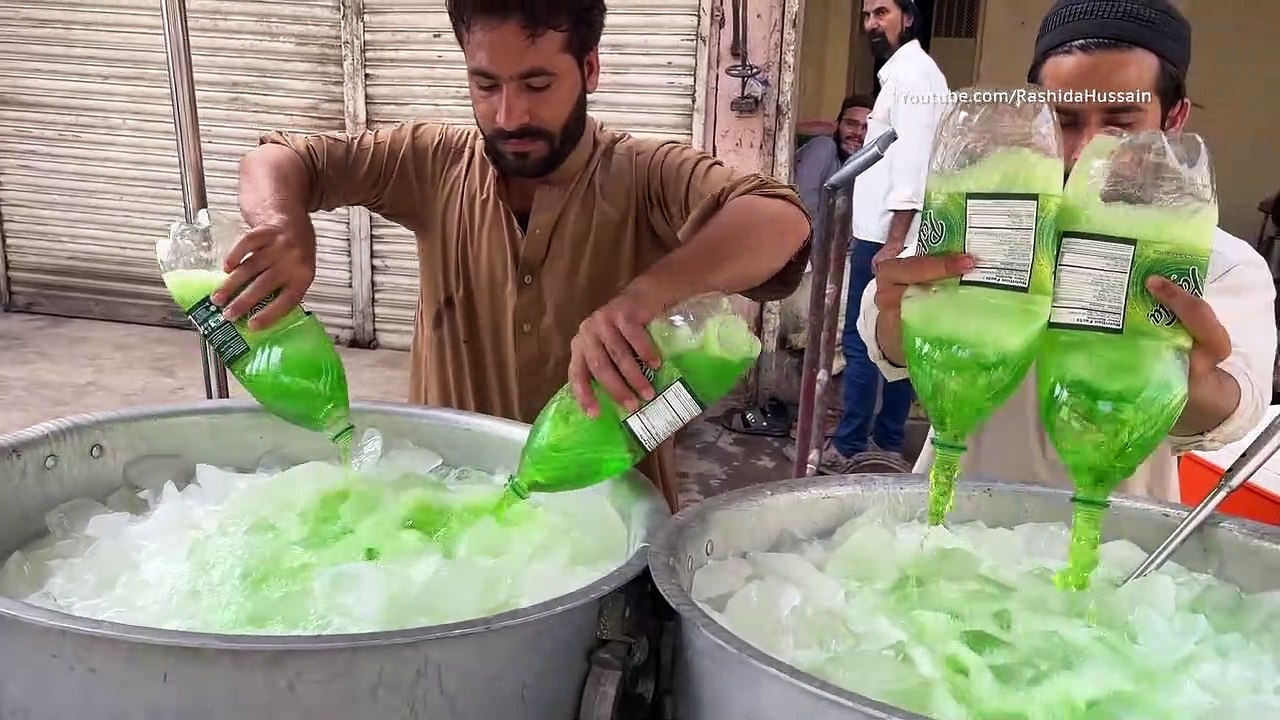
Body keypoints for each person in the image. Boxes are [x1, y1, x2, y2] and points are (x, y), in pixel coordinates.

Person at [209, 0, 813, 512]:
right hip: (451, 514)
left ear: (590, 69)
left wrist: (645, 297)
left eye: (537, 84)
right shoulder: (432, 162)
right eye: (486, 84)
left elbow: (778, 219)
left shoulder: (645, 173)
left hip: (610, 524)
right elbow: (279, 159)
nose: (510, 115)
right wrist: (282, 223)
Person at [857, 0, 1277, 502]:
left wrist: (1184, 380)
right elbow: (891, 349)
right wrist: (898, 314)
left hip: (1115, 547)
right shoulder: (983, 219)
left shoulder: (1220, 263)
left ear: (1174, 118)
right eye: (1065, 120)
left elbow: (1233, 412)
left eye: (1121, 123)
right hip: (954, 524)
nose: (1085, 152)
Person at [813, 0, 950, 473]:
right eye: (867, 14)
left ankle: (850, 445)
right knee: (894, 337)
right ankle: (887, 442)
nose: (872, 23)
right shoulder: (908, 74)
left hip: (888, 236)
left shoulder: (912, 78)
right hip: (889, 231)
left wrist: (892, 240)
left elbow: (911, 163)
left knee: (863, 339)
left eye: (882, 12)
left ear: (908, 18)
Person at [793, 94, 873, 217]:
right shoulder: (823, 147)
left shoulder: (863, 169)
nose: (858, 133)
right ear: (837, 125)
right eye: (851, 124)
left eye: (866, 128)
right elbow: (802, 203)